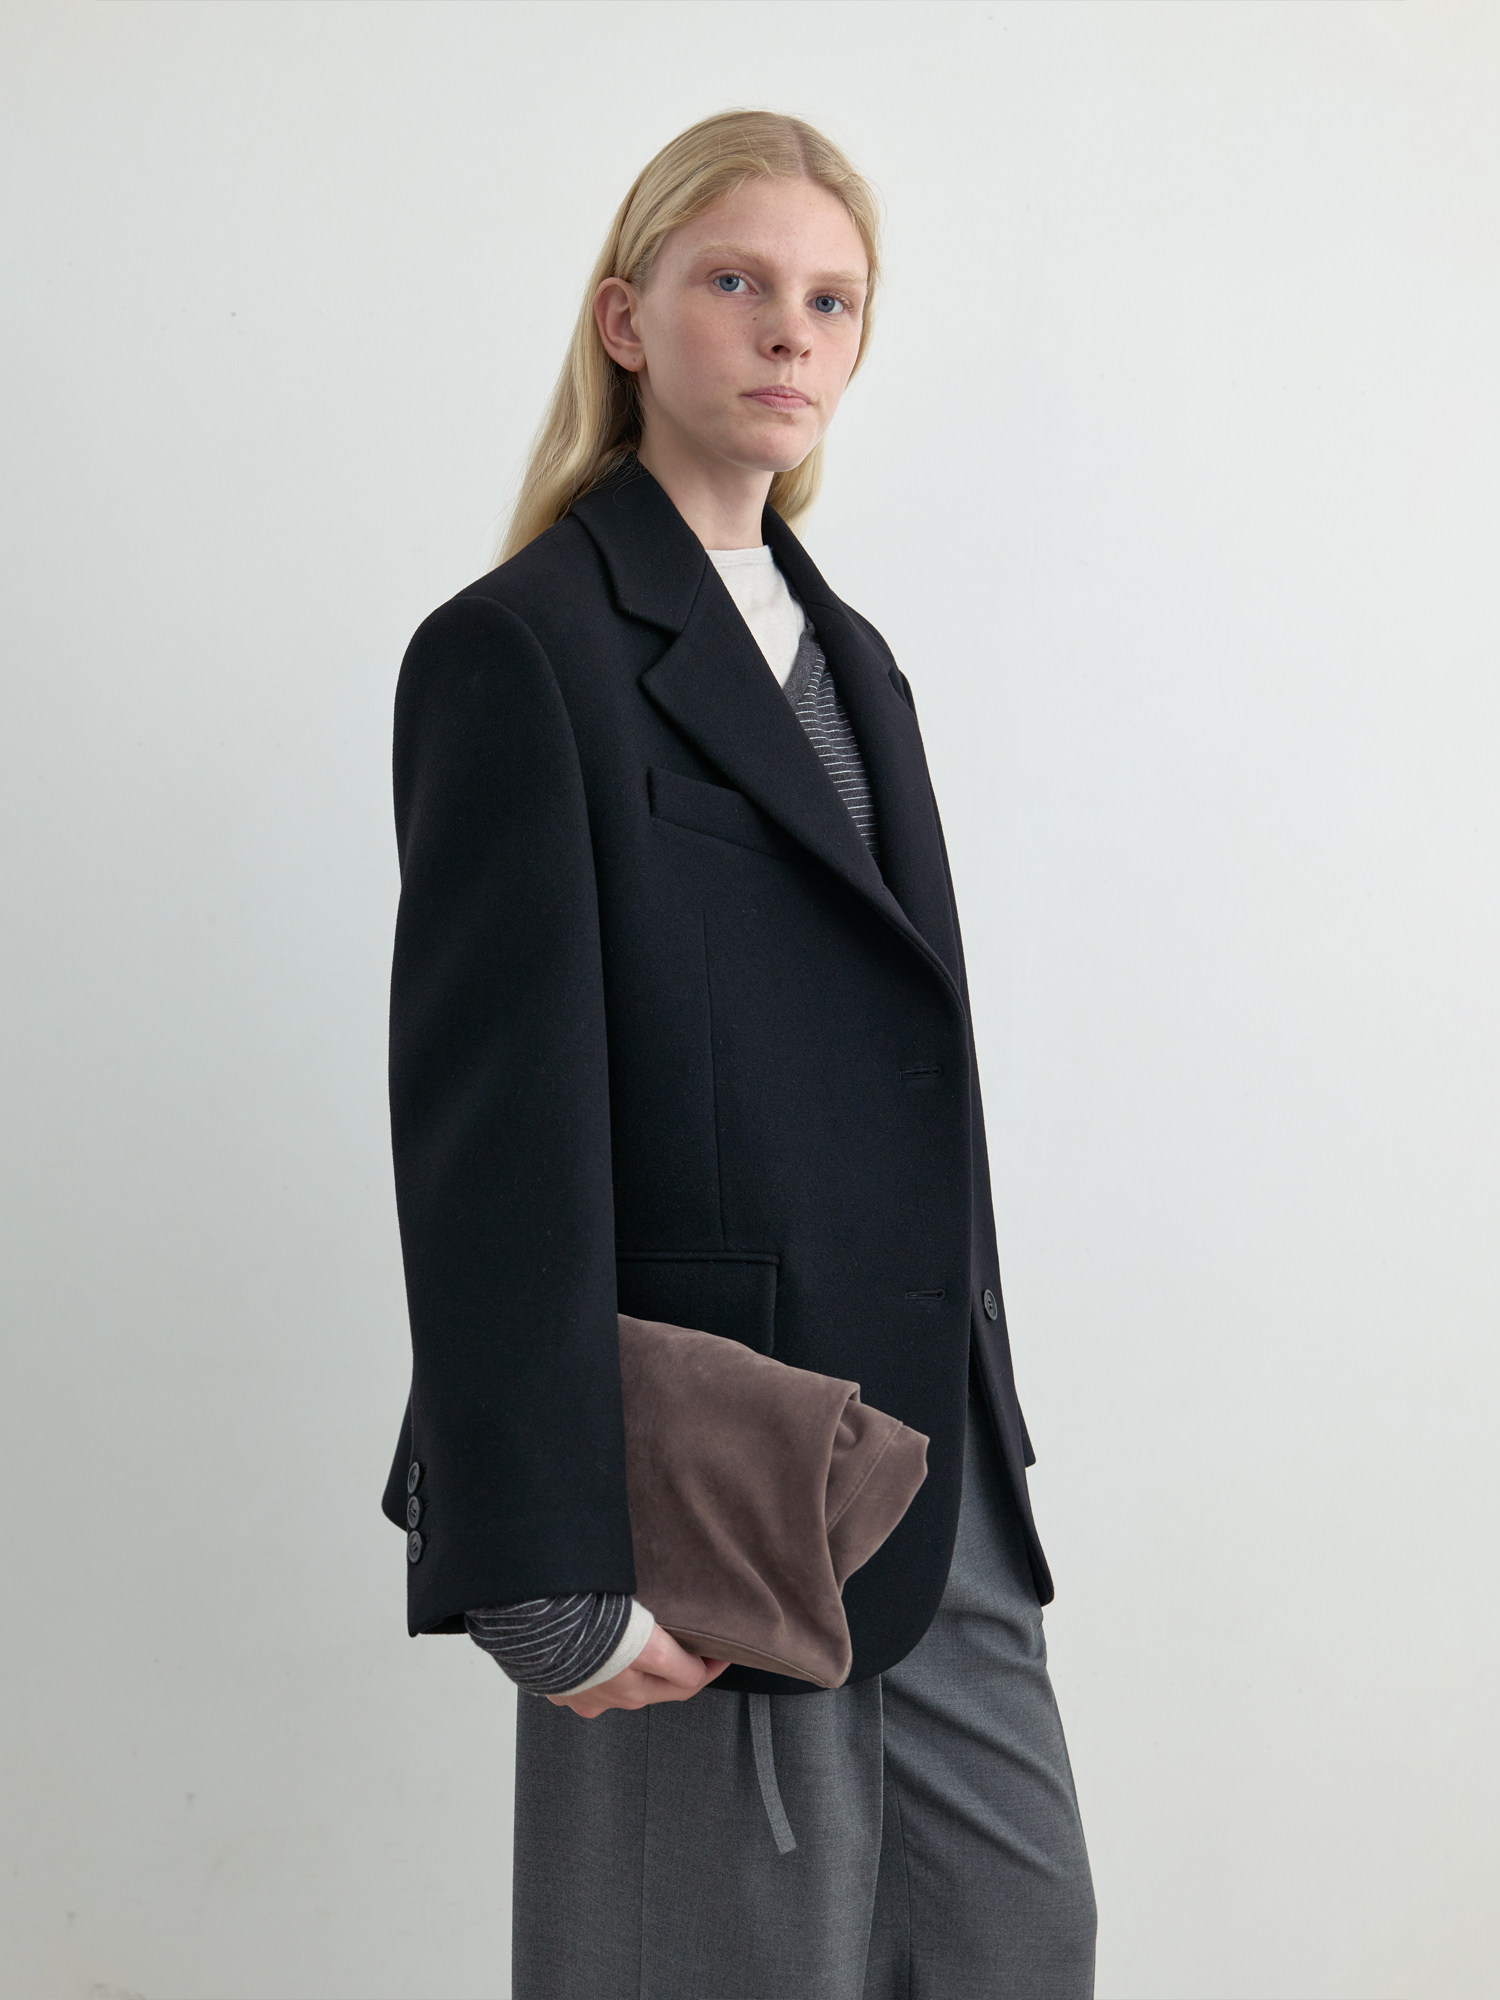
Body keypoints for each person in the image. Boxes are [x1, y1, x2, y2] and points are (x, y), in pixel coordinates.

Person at [382, 109, 1097, 1999]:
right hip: (703, 1482)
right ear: (626, 321)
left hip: (939, 1472)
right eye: (738, 281)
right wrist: (542, 1567)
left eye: (833, 300)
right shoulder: (520, 651)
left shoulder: (863, 665)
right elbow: (490, 1144)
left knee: (1019, 1941)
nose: (792, 329)